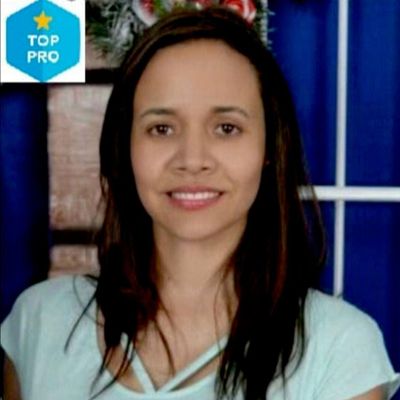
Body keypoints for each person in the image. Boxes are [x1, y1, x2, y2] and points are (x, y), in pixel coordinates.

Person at [1, 6, 399, 400]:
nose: (192, 159)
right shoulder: (39, 322)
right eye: (161, 128)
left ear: (269, 148)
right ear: (125, 146)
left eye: (226, 128)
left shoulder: (340, 351)